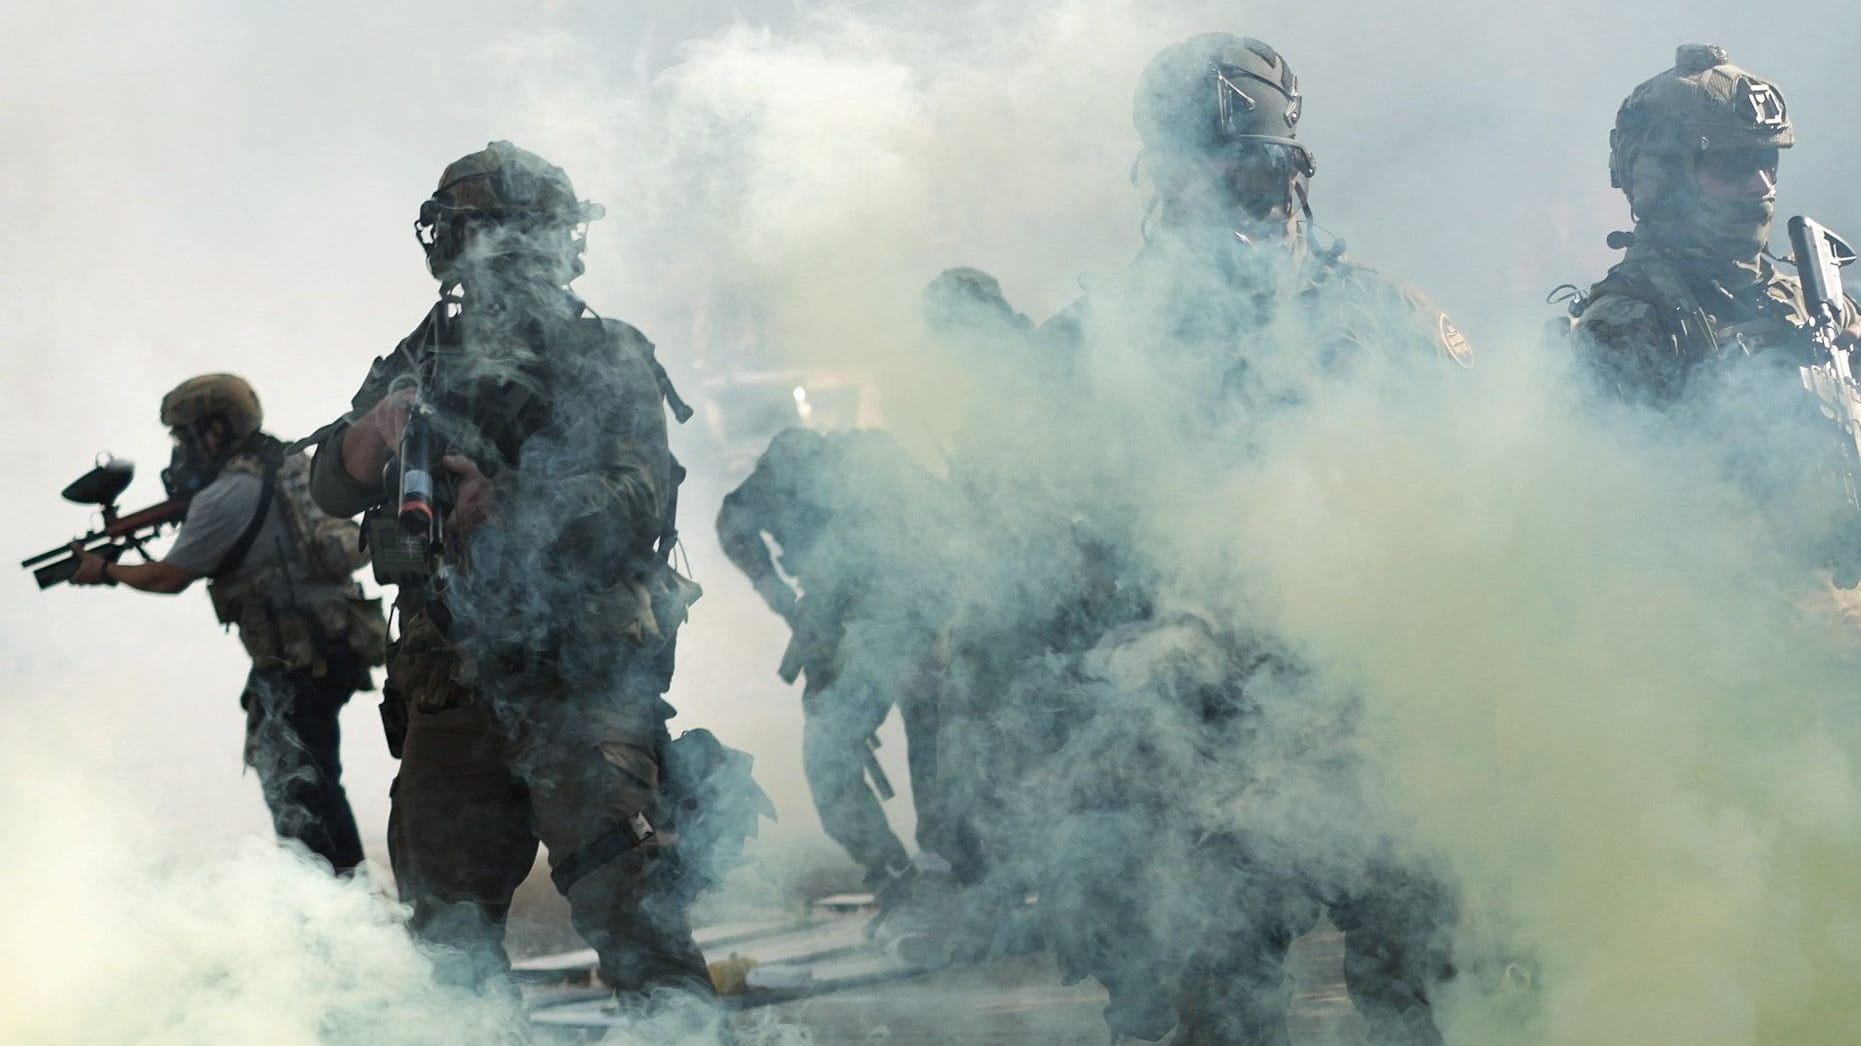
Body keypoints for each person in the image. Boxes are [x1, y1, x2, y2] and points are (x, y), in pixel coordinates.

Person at [1030, 34, 1464, 1044]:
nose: (1241, 189)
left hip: (1368, 711)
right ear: (1160, 174)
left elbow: (1472, 512)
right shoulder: (1088, 347)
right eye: (1212, 164)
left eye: (1261, 164)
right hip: (1192, 744)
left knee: (1421, 992)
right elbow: (1044, 567)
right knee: (1218, 1005)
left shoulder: (1383, 315)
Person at [306, 141, 720, 1016]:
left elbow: (636, 494)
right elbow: (329, 487)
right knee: (448, 937)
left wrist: (509, 502)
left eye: (469, 230)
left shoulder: (602, 354)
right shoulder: (421, 358)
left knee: (632, 917)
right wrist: (374, 434)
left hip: (579, 676)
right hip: (450, 682)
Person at [69, 373, 386, 876]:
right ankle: (346, 902)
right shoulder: (286, 461)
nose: (179, 450)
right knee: (311, 780)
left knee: (300, 790)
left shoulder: (230, 493)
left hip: (300, 656)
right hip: (332, 643)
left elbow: (170, 576)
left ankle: (343, 905)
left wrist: (104, 569)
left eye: (184, 435)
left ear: (215, 430)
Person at [716, 427, 952, 931]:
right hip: (857, 627)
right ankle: (912, 880)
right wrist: (786, 601)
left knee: (925, 754)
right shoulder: (798, 469)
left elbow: (946, 522)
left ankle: (939, 878)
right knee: (851, 757)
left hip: (903, 620)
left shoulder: (870, 462)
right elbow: (732, 523)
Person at [1571, 44, 1860, 401]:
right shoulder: (1623, 330)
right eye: (1733, 164)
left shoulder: (1812, 302)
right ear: (1666, 180)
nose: (1762, 184)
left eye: (1767, 161)